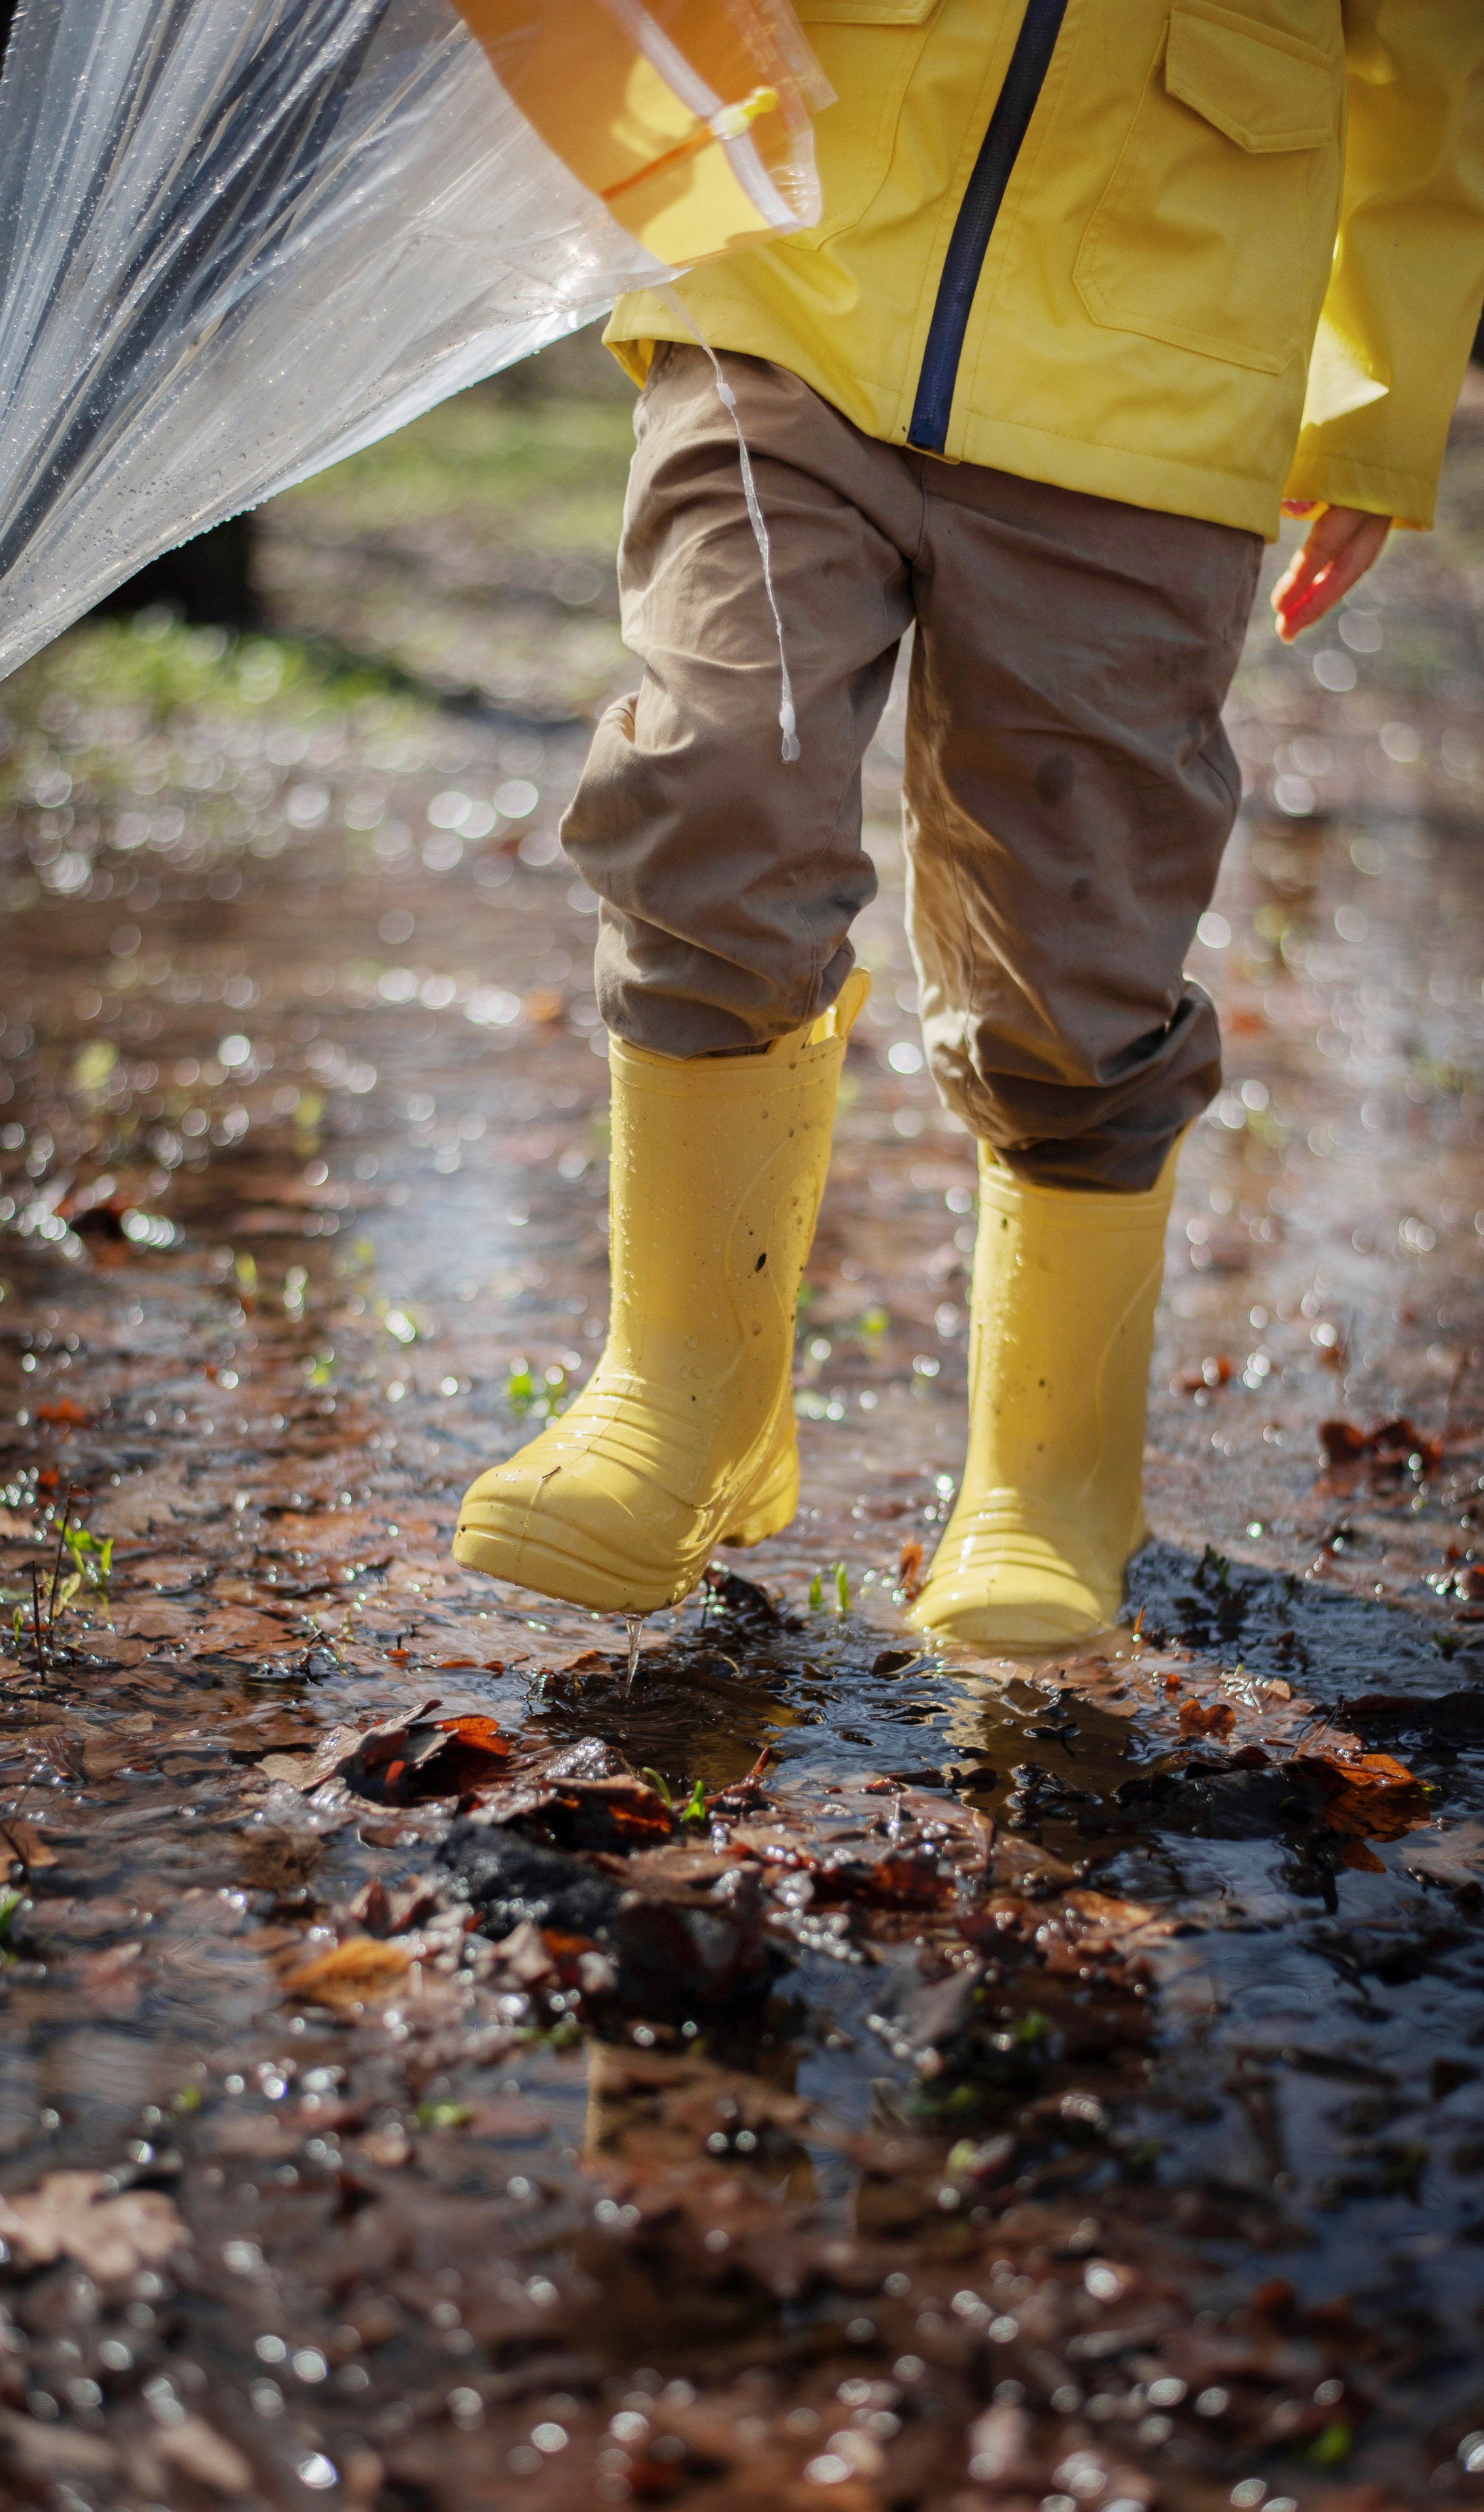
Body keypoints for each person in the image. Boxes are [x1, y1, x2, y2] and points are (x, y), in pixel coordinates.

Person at [453, 0, 1484, 1645]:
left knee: (1073, 952)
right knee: (710, 770)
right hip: (786, 273)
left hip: (1155, 366)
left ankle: (1047, 1478)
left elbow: (1435, 63)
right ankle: (678, 1402)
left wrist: (1372, 398)